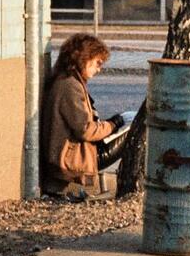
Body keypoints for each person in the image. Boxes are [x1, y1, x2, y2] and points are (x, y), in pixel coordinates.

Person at [40, 33, 129, 199]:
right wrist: (113, 124)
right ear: (83, 59)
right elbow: (85, 130)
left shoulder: (67, 80)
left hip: (69, 153)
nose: (99, 69)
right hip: (70, 159)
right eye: (97, 63)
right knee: (134, 130)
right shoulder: (69, 86)